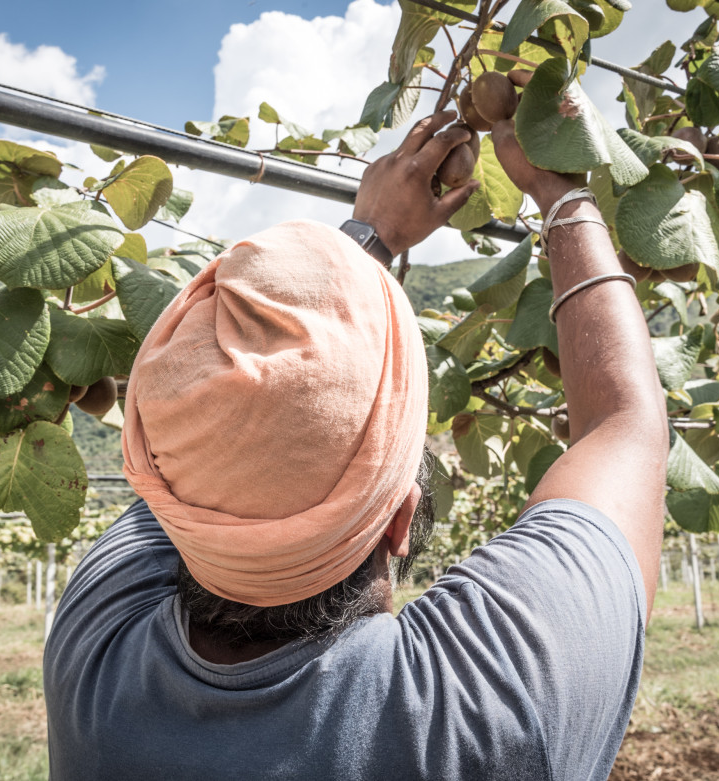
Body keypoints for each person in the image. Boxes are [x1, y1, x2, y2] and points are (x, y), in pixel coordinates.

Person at [44, 109, 669, 780]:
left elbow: (223, 429)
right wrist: (560, 189)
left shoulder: (90, 659)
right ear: (401, 519)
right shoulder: (487, 705)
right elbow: (622, 422)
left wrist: (367, 240)